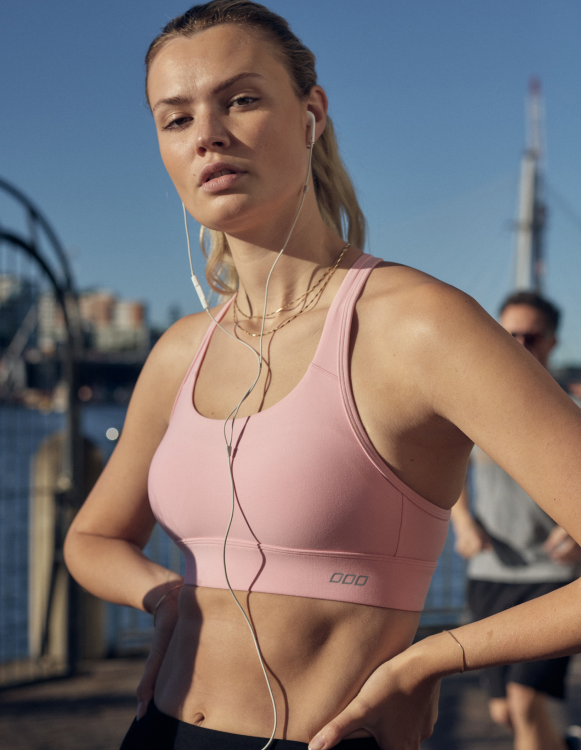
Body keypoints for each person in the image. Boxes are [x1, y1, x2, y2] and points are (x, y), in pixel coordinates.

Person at [63, 3, 581, 749]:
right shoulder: (180, 348)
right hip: (156, 733)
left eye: (240, 99)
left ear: (311, 114)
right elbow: (92, 537)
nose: (206, 132)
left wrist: (435, 657)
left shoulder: (418, 325)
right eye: (175, 119)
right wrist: (162, 594)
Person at [451, 291, 581, 750]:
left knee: (526, 702)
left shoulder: (574, 413)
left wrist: (574, 530)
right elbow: (451, 472)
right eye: (509, 336)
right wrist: (464, 522)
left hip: (555, 579)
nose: (520, 345)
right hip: (490, 575)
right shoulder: (473, 408)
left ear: (552, 342)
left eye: (532, 336)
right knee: (505, 711)